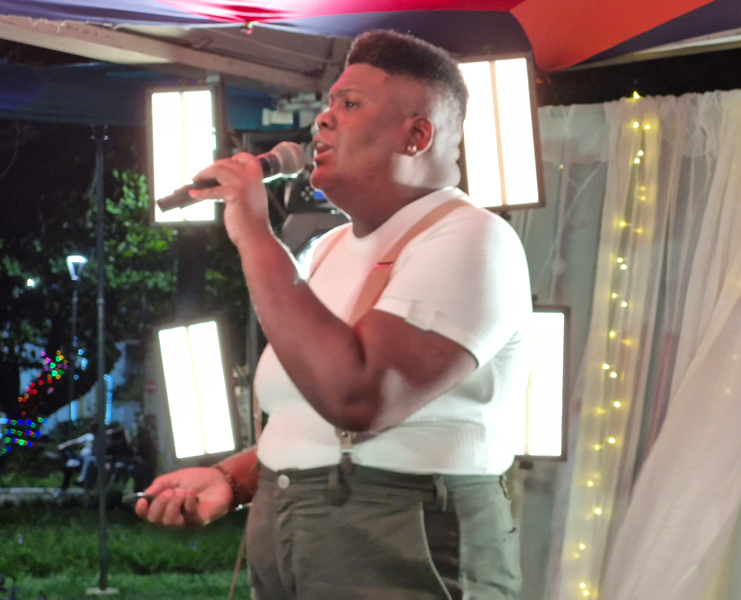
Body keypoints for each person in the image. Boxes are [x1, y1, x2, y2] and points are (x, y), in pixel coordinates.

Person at [136, 30, 532, 599]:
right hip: (289, 524)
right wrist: (233, 478)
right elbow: (313, 415)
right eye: (328, 104)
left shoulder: (472, 238)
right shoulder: (325, 250)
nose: (323, 119)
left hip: (401, 530)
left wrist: (254, 234)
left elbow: (360, 397)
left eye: (350, 104)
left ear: (417, 135)